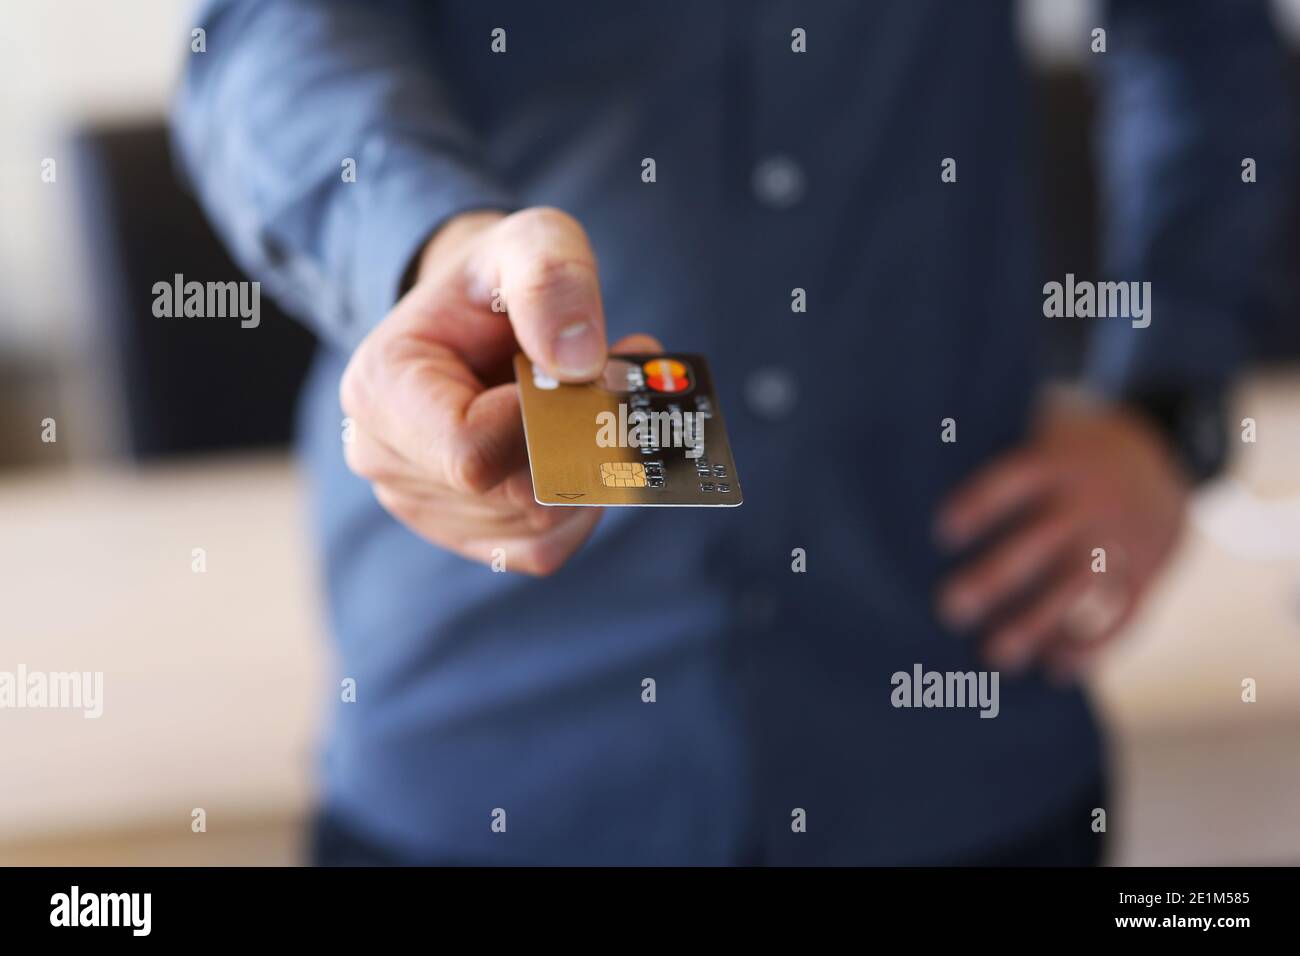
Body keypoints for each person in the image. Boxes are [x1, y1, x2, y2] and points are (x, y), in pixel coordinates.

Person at [174, 0, 1290, 865]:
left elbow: (1202, 38)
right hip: (490, 725)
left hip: (958, 702)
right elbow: (272, 28)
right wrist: (423, 247)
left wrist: (1164, 401)